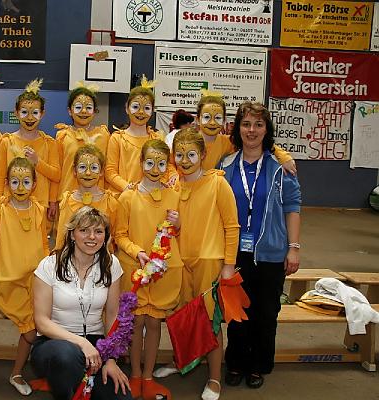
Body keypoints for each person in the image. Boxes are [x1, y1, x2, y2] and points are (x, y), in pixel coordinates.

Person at [218, 102, 301, 389]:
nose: (251, 130)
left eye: (258, 125)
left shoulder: (281, 167)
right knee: (237, 314)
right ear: (238, 129)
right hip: (235, 254)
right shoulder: (226, 165)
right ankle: (236, 362)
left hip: (271, 253)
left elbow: (293, 206)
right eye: (246, 124)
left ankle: (258, 365)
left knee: (266, 313)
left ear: (267, 130)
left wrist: (293, 247)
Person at [155, 128, 240, 400]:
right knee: (181, 316)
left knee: (209, 320)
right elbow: (172, 225)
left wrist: (228, 264)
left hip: (209, 261)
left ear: (203, 155)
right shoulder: (173, 186)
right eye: (179, 155)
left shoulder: (218, 184)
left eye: (191, 154)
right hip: (181, 263)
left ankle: (214, 377)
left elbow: (232, 226)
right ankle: (180, 360)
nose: (185, 160)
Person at [32, 206, 132, 400]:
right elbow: (41, 322)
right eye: (84, 230)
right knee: (67, 356)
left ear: (106, 236)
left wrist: (111, 359)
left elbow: (112, 315)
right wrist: (81, 343)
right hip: (54, 343)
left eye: (98, 231)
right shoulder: (49, 265)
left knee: (121, 396)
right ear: (72, 234)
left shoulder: (111, 264)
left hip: (97, 344)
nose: (92, 237)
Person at [114, 139, 182, 400]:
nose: (155, 169)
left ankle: (148, 376)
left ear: (167, 165)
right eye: (150, 163)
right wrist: (137, 252)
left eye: (161, 164)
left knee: (154, 323)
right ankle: (134, 374)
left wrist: (178, 224)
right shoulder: (127, 197)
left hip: (163, 271)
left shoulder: (173, 195)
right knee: (136, 322)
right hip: (135, 269)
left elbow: (178, 233)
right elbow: (119, 235)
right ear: (141, 163)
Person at [0, 157, 49, 396]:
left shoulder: (39, 210)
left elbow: (44, 246)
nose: (20, 187)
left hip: (36, 280)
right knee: (31, 330)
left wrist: (50, 276)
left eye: (26, 182)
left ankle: (30, 372)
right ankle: (17, 373)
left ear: (34, 184)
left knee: (46, 323)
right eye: (14, 182)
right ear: (6, 183)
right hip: (8, 282)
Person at [0, 78, 60, 224]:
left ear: (42, 114)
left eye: (35, 112)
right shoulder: (7, 142)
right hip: (10, 205)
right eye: (24, 112)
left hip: (40, 206)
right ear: (16, 113)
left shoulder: (50, 143)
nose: (30, 118)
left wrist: (37, 162)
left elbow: (56, 175)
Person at [105, 76, 176, 195]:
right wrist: (127, 187)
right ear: (127, 108)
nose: (141, 112)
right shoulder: (117, 138)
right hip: (123, 197)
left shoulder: (157, 138)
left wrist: (172, 175)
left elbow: (167, 165)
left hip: (150, 197)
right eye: (135, 107)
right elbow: (110, 171)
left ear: (152, 111)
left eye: (146, 108)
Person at [194, 93, 295, 174]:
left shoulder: (228, 142)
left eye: (218, 118)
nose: (212, 123)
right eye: (206, 117)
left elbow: (263, 143)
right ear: (197, 119)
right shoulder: (187, 142)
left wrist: (284, 157)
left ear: (224, 121)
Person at [55, 145, 118, 251]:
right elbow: (61, 240)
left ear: (101, 172)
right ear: (74, 170)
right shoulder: (67, 202)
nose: (88, 173)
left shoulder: (110, 202)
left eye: (94, 168)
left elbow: (115, 237)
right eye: (82, 167)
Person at [55, 83, 109, 199]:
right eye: (78, 107)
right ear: (70, 111)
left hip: (97, 199)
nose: (83, 111)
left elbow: (107, 169)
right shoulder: (62, 136)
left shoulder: (103, 135)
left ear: (94, 111)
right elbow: (57, 171)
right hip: (67, 198)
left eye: (88, 108)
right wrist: (53, 200)